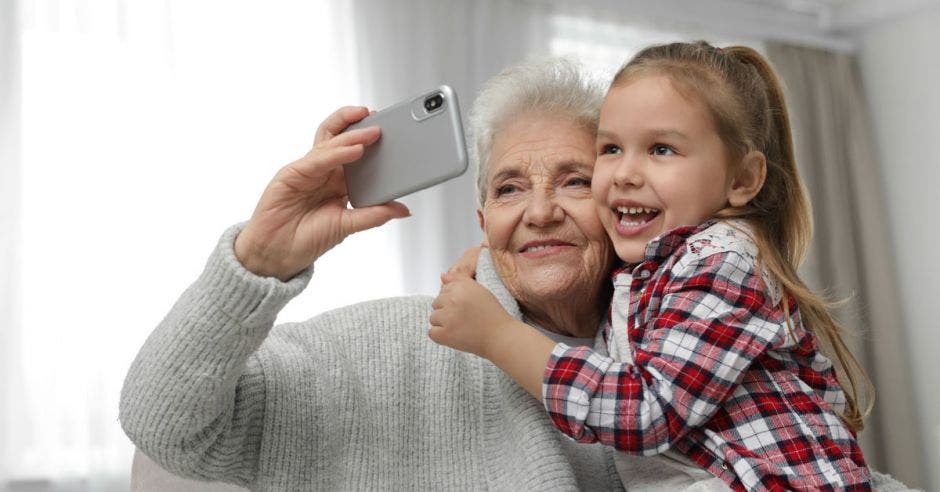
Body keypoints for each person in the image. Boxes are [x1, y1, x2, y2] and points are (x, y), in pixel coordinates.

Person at [121, 58, 708, 490]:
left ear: (621, 205)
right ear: (484, 222)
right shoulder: (392, 346)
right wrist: (258, 261)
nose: (539, 212)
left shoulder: (686, 340)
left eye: (575, 180)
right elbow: (167, 427)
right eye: (509, 188)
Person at [429, 42, 875, 491]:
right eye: (611, 148)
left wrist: (498, 336)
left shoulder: (720, 262)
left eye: (661, 149)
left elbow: (644, 412)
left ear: (741, 179)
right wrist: (488, 257)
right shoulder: (644, 272)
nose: (625, 174)